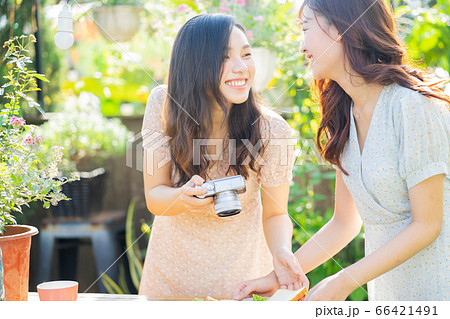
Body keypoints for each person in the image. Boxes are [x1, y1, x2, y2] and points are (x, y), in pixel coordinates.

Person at [232, 0, 449, 301]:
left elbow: (427, 225)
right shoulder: (343, 115)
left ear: (339, 28)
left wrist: (343, 282)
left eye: (305, 28)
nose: (301, 46)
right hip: (388, 297)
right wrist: (277, 279)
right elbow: (345, 223)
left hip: (437, 292)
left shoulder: (412, 107)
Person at [139, 13, 308, 299]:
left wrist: (281, 252)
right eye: (225, 57)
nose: (241, 67)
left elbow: (276, 213)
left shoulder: (271, 130)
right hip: (168, 283)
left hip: (242, 286)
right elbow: (155, 195)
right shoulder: (163, 105)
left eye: (246, 54)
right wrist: (182, 199)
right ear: (194, 63)